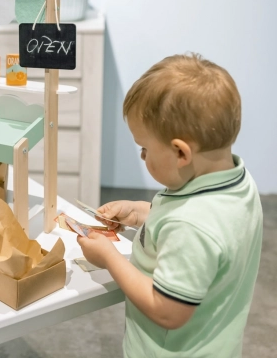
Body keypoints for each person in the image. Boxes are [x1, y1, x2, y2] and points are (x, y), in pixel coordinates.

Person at [78, 53, 262, 358]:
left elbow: (167, 311)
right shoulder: (236, 183)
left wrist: (110, 258)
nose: (141, 157)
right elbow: (189, 225)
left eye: (145, 149)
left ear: (180, 153)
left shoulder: (193, 227)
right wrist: (139, 212)